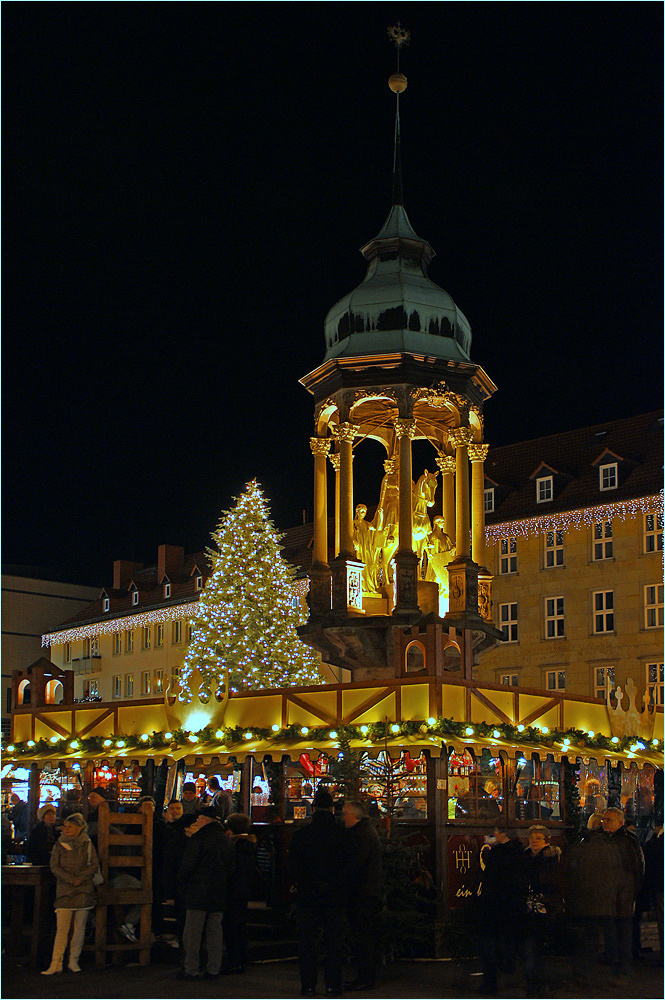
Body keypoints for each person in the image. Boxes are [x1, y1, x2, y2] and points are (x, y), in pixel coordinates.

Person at [288, 787, 349, 997]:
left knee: (307, 942)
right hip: (335, 895)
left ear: (313, 809)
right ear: (333, 809)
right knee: (333, 941)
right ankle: (333, 984)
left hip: (308, 895)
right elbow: (348, 866)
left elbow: (294, 866)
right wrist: (331, 885)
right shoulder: (343, 835)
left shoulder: (301, 835)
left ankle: (308, 985)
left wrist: (311, 885)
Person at [177, 806, 234, 980]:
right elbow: (231, 868)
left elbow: (188, 866)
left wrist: (181, 883)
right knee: (215, 932)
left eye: (199, 819)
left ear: (205, 820)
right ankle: (214, 968)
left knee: (193, 933)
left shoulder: (198, 839)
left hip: (197, 892)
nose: (196, 822)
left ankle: (191, 968)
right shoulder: (226, 840)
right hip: (219, 892)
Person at [42, 813, 100, 974]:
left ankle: (74, 960)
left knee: (79, 928)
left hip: (83, 890)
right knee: (62, 928)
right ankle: (56, 962)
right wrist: (70, 878)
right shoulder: (59, 844)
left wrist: (81, 878)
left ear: (79, 828)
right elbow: (54, 866)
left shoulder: (87, 844)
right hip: (65, 890)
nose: (65, 830)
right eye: (65, 827)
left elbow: (94, 864)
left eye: (70, 827)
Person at [565, 813, 616, 987]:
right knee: (592, 936)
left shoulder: (581, 845)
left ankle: (584, 973)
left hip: (587, 897)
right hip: (595, 897)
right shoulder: (602, 846)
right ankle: (589, 972)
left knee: (588, 937)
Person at [477, 826, 529, 994]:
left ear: (504, 833)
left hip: (497, 903)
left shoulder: (499, 853)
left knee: (494, 942)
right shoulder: (519, 851)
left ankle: (493, 982)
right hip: (510, 903)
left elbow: (490, 877)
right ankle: (508, 975)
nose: (494, 834)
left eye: (497, 831)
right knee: (507, 941)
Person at [342, 800, 382, 991]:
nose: (343, 818)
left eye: (345, 814)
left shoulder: (361, 835)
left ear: (355, 816)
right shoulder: (365, 832)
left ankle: (365, 977)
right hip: (366, 891)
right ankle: (365, 976)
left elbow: (354, 864)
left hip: (362, 893)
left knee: (363, 935)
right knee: (364, 934)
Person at [601, 807, 644, 978]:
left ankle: (623, 964)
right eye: (603, 819)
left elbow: (636, 868)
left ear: (620, 822)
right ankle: (612, 960)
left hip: (622, 893)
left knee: (623, 928)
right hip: (606, 892)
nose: (604, 823)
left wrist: (631, 891)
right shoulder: (600, 839)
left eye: (608, 820)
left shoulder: (628, 842)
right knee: (609, 927)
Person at [523, 826, 562, 993]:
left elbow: (553, 882)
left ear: (546, 840)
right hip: (528, 907)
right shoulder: (525, 857)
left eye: (538, 838)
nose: (534, 840)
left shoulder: (551, 859)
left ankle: (540, 982)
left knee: (539, 945)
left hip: (545, 906)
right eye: (532, 837)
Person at [224, 812, 258, 973]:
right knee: (240, 925)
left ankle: (234, 961)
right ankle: (242, 958)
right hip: (244, 890)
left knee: (231, 927)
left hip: (231, 890)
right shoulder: (250, 846)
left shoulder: (232, 846)